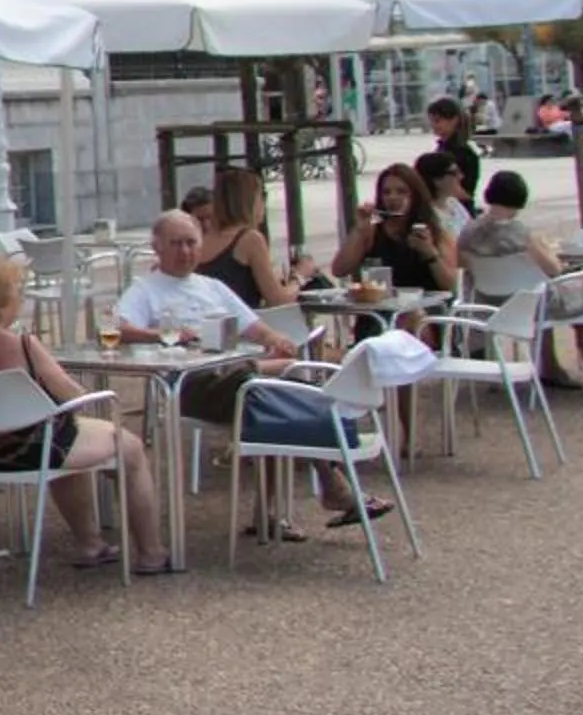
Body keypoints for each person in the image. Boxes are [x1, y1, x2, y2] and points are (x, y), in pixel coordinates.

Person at [115, 211, 389, 529]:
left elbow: (254, 326)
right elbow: (118, 328)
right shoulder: (146, 289)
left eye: (191, 243)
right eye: (176, 244)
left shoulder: (211, 287)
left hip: (238, 378)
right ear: (158, 247)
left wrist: (276, 338)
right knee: (274, 392)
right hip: (189, 384)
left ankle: (286, 507)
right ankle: (331, 481)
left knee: (274, 397)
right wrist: (164, 334)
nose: (185, 251)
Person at [0, 254, 172, 574]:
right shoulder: (22, 344)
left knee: (68, 443)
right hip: (39, 447)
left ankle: (91, 543)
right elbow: (72, 396)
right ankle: (151, 552)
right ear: (4, 300)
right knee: (129, 448)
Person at [456, 170, 583, 391]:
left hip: (491, 301)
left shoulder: (468, 231)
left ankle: (556, 367)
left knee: (565, 290)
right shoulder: (520, 233)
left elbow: (463, 264)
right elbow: (553, 269)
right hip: (536, 302)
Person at [330, 163, 458, 299]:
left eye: (401, 192)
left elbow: (450, 285)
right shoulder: (372, 229)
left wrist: (430, 253)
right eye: (386, 192)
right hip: (381, 310)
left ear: (415, 195)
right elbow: (339, 270)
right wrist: (359, 229)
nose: (393, 198)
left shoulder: (433, 232)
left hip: (423, 310)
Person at [197, 167, 314, 309]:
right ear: (249, 201)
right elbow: (278, 300)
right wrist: (300, 276)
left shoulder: (201, 239)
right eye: (261, 196)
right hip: (243, 326)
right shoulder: (250, 239)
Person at [425, 95, 483, 206]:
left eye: (437, 121)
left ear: (454, 120)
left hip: (456, 209)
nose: (433, 125)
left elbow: (466, 192)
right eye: (432, 121)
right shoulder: (444, 148)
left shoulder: (464, 153)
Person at [414, 150, 475, 242]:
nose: (461, 176)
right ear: (436, 180)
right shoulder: (428, 215)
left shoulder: (453, 203)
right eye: (454, 173)